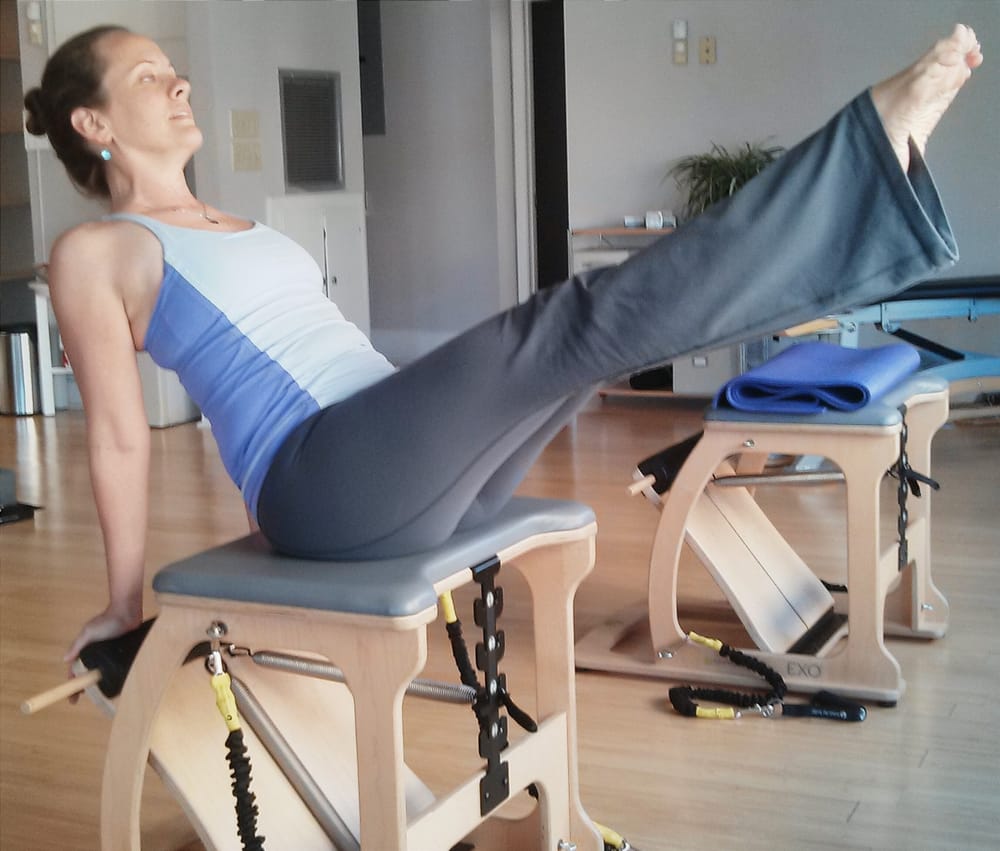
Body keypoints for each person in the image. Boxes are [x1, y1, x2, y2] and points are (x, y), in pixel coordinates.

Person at [23, 24, 983, 665]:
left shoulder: (234, 220)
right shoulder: (97, 251)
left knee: (594, 346)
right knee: (567, 321)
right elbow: (115, 435)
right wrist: (122, 605)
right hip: (322, 484)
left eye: (173, 66)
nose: (178, 80)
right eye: (148, 75)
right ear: (92, 121)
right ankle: (860, 160)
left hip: (397, 465)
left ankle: (868, 211)